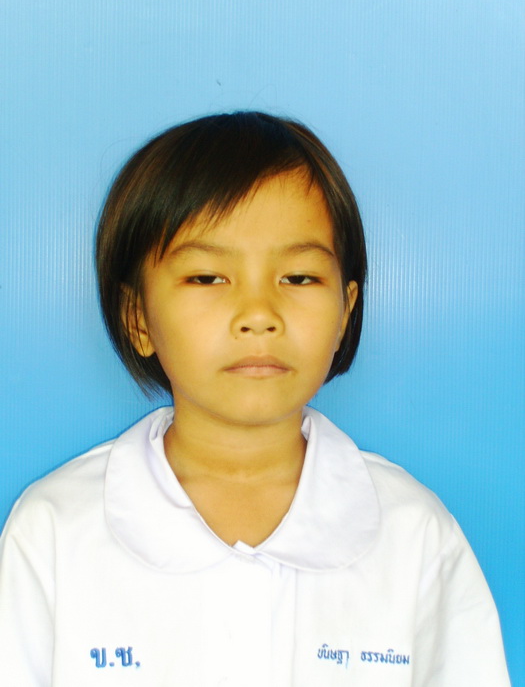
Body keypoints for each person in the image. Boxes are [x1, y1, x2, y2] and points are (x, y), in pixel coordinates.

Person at [0, 112, 510, 686]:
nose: (259, 315)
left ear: (346, 312)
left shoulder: (414, 535)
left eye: (298, 278)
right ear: (137, 316)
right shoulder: (55, 531)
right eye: (207, 278)